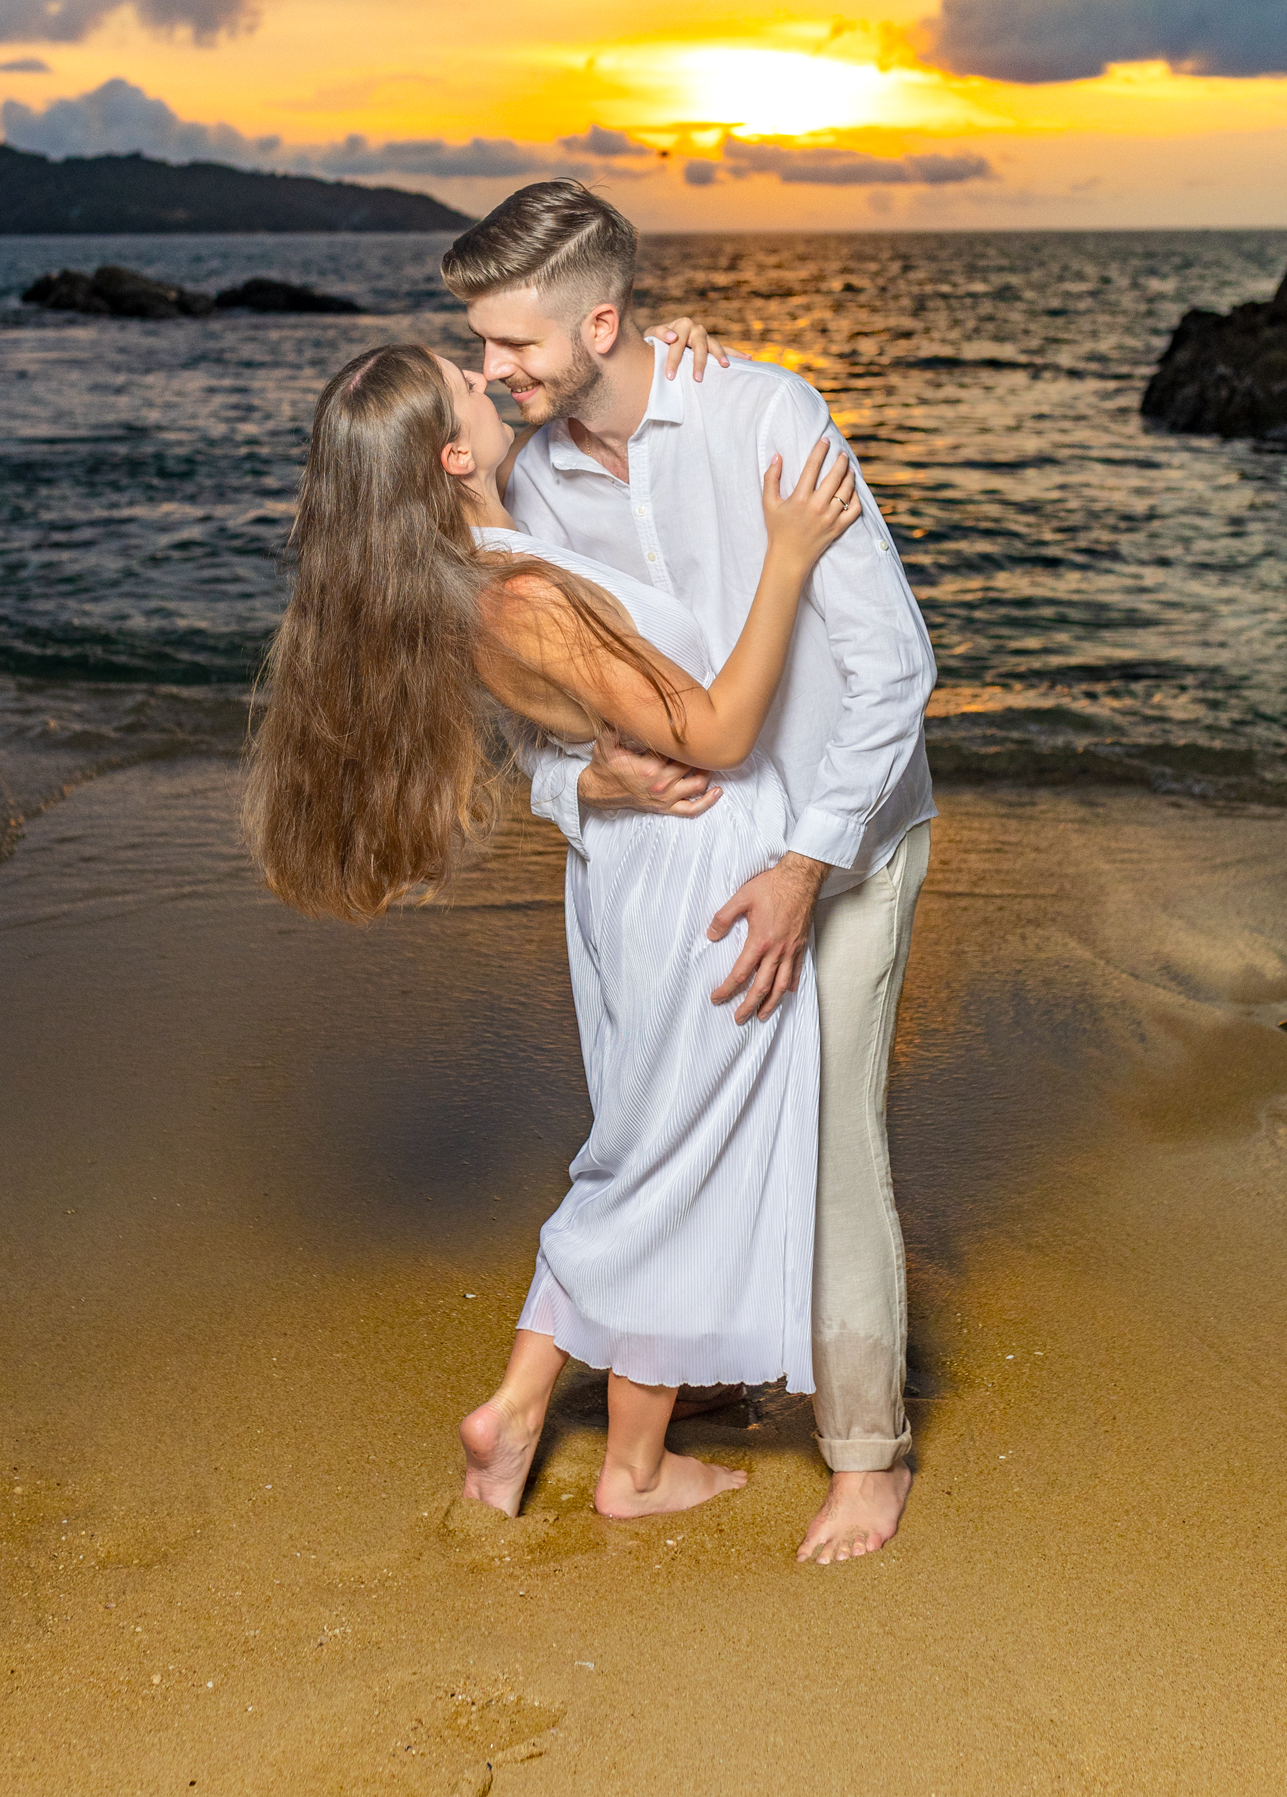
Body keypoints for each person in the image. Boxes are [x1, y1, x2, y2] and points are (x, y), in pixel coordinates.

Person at [242, 341, 862, 1524]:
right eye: (467, 383)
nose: (492, 379)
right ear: (451, 456)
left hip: (635, 864)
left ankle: (522, 1410)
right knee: (678, 1162)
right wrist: (788, 557)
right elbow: (720, 735)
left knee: (644, 1143)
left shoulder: (482, 568)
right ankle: (633, 1468)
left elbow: (563, 725)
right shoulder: (520, 595)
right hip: (696, 870)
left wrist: (664, 352)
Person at [442, 181, 937, 1567]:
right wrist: (579, 785)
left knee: (829, 1138)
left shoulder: (761, 414)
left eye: (512, 343)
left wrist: (802, 862)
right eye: (480, 346)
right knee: (660, 1123)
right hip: (666, 864)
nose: (493, 368)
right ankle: (691, 1367)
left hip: (843, 833)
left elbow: (896, 672)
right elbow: (533, 716)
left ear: (600, 324)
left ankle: (866, 1454)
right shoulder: (532, 482)